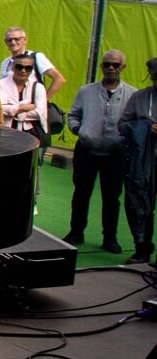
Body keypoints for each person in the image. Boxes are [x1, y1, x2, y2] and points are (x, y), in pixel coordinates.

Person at [66, 50, 131, 251]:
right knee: (81, 193)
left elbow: (134, 122)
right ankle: (76, 232)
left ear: (122, 68)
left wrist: (124, 139)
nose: (110, 68)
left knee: (111, 197)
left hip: (115, 153)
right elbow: (73, 115)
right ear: (101, 66)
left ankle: (110, 238)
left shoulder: (132, 94)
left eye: (115, 65)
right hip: (86, 149)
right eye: (107, 64)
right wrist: (80, 131)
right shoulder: (85, 91)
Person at [121, 56, 157, 264]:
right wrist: (143, 126)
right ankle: (142, 248)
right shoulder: (140, 98)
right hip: (143, 164)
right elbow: (123, 125)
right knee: (140, 205)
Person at [0, 26, 68, 98]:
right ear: (5, 42)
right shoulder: (5, 62)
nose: (13, 42)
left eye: (16, 39)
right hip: (11, 106)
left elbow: (59, 79)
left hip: (32, 107)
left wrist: (43, 100)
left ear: (25, 40)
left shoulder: (36, 57)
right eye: (9, 40)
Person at [0, 50, 49, 144]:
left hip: (31, 135)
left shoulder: (38, 87)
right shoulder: (0, 84)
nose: (23, 70)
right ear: (12, 68)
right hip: (4, 134)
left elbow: (39, 113)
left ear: (32, 70)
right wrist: (23, 107)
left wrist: (11, 111)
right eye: (19, 67)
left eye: (28, 68)